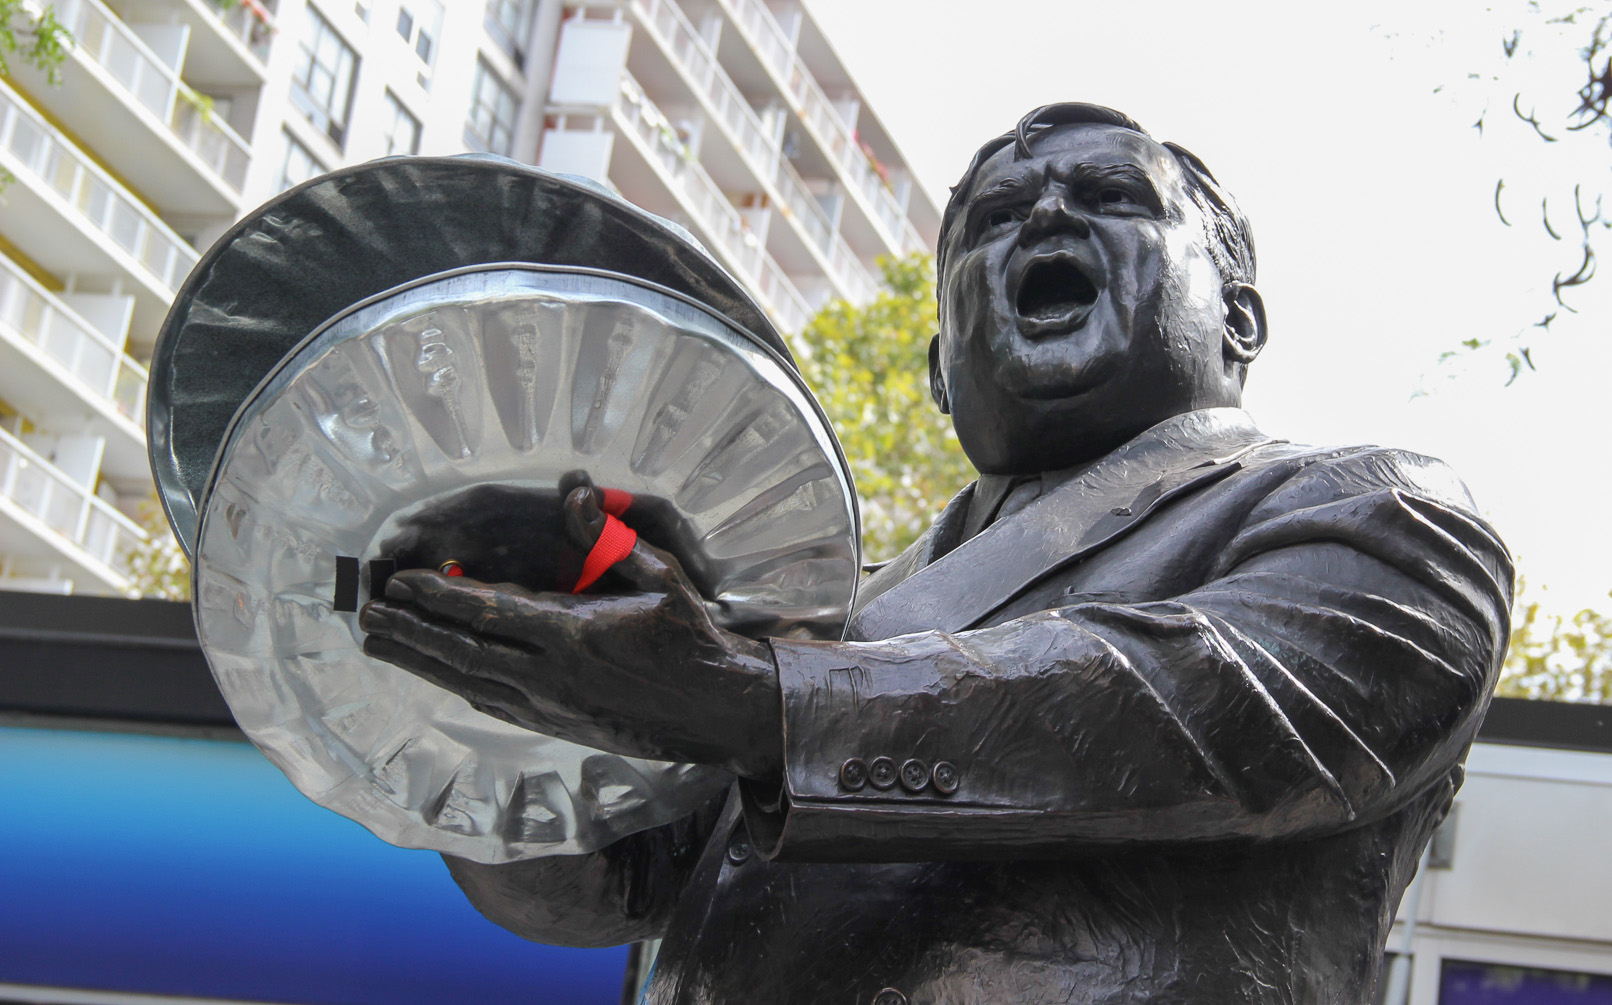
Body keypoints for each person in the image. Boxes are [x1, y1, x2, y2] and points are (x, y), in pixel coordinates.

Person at [359, 103, 1513, 1004]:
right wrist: (516, 676)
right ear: (935, 364)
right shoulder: (823, 617)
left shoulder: (1377, 516)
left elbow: (1188, 707)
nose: (1046, 218)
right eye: (996, 219)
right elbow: (595, 890)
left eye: (1110, 195)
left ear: (1240, 318)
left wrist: (751, 702)